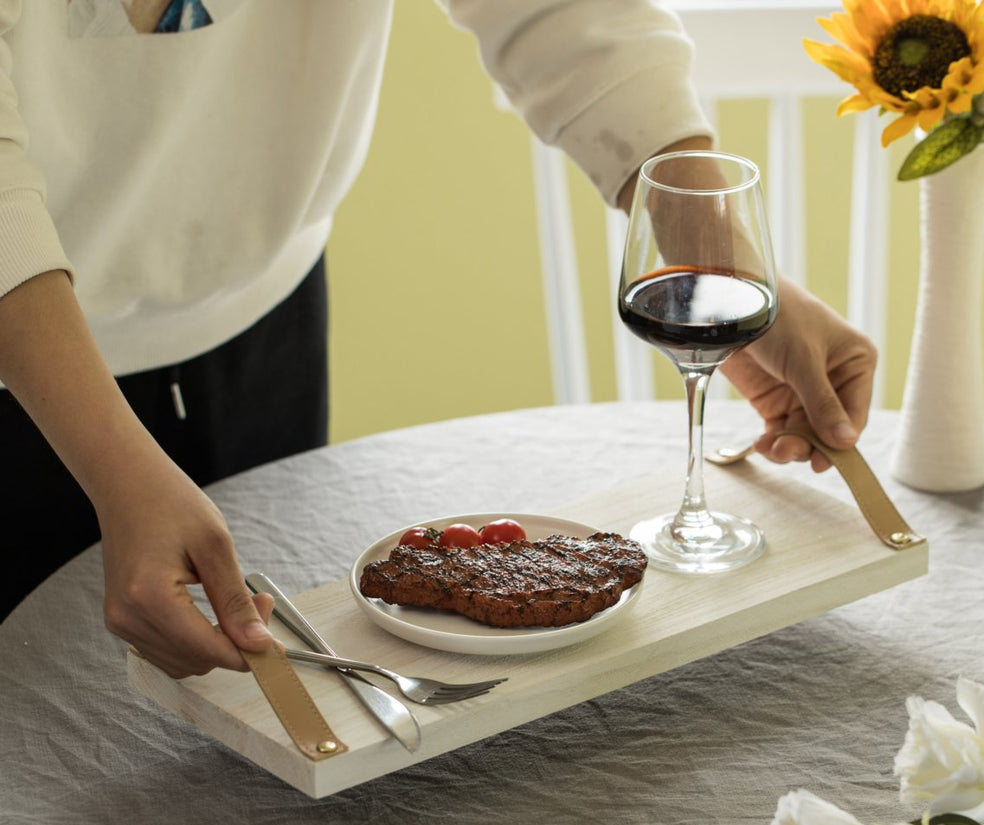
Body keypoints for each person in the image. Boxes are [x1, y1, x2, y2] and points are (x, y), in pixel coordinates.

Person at [0, 0, 876, 678]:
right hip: (23, 357)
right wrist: (116, 464)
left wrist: (718, 264)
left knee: (250, 693)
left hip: (262, 317)